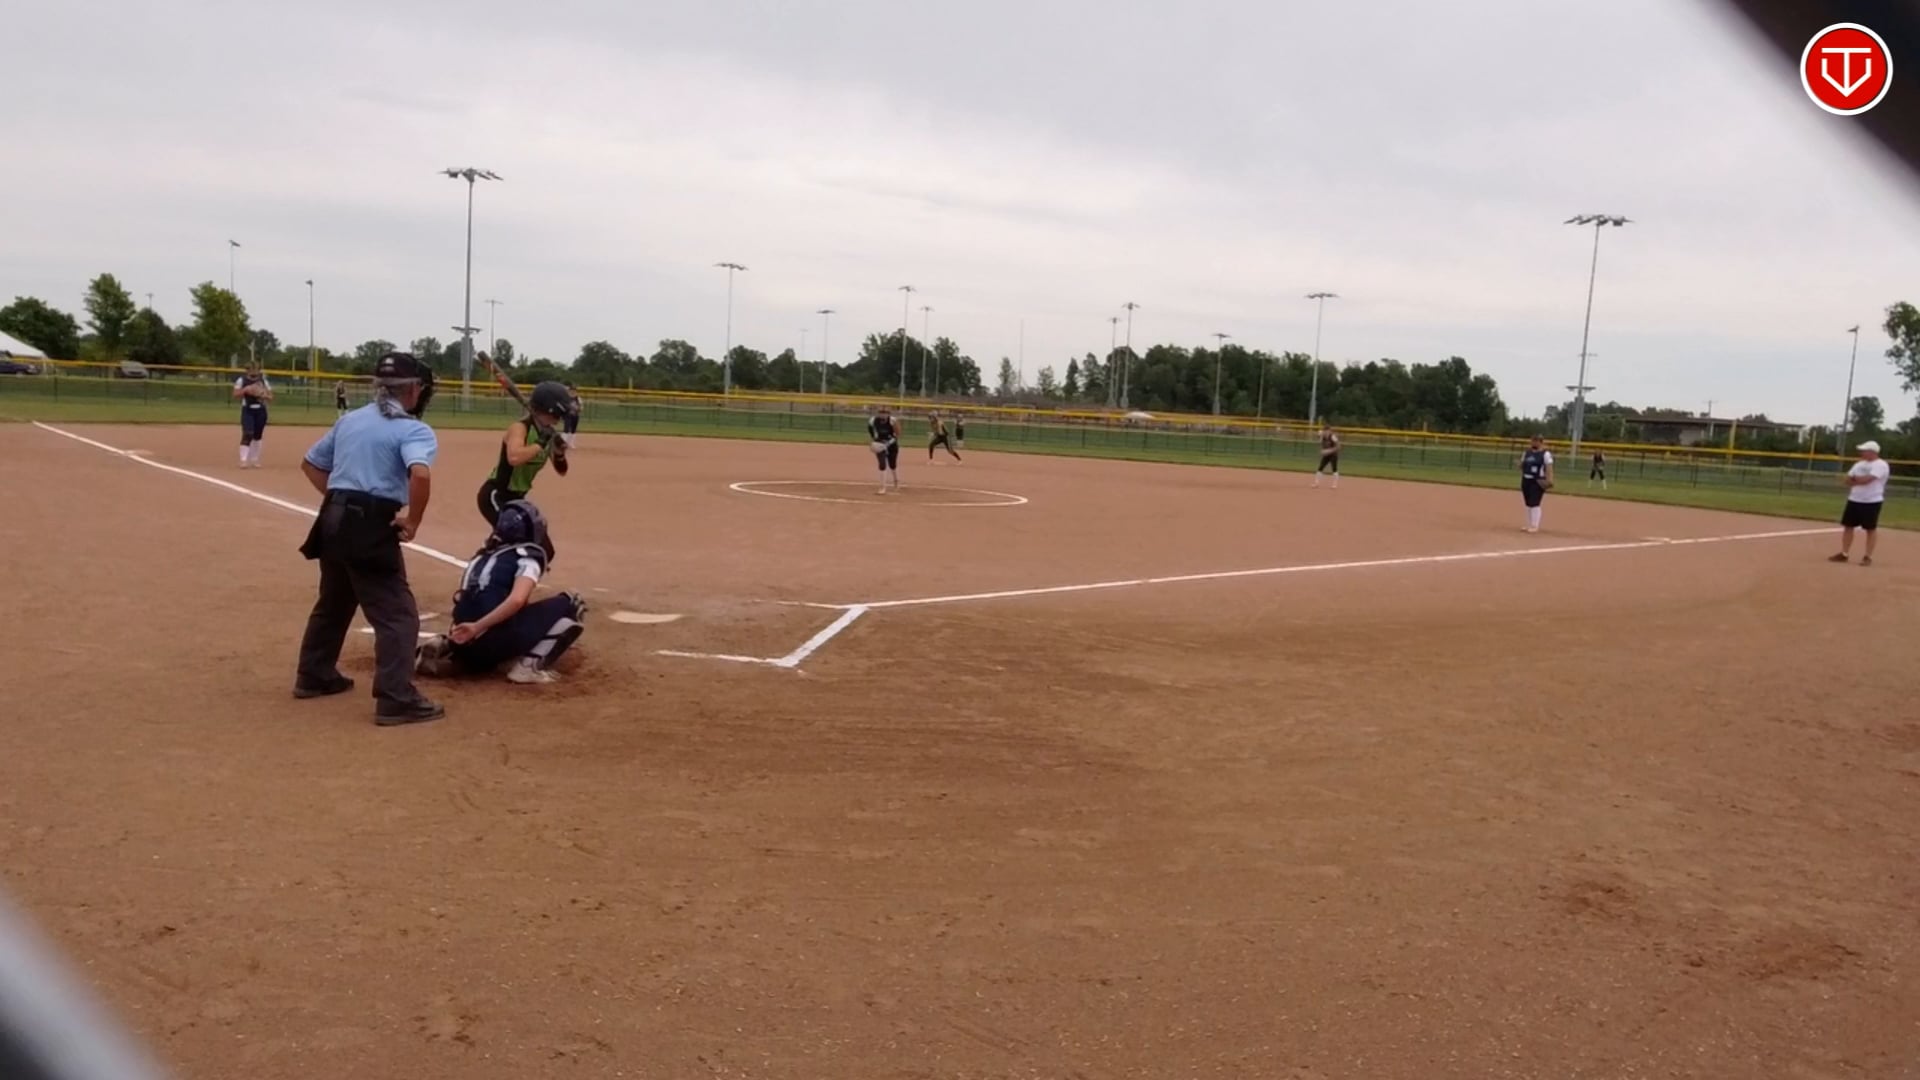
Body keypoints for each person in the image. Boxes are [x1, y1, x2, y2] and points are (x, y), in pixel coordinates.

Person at [292, 352, 445, 726]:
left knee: (335, 601)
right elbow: (420, 474)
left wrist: (342, 500)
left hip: (332, 518)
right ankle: (396, 698)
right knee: (398, 615)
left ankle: (314, 674)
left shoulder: (350, 420)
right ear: (413, 389)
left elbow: (311, 464)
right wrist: (412, 521)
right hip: (369, 524)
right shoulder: (413, 430)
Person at [414, 500, 588, 685]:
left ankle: (447, 648)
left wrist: (471, 631)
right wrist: (477, 627)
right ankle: (528, 668)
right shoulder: (527, 557)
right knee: (571, 603)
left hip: (463, 640)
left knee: (485, 627)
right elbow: (517, 600)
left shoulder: (482, 556)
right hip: (486, 637)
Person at [477, 379, 572, 527]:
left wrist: (559, 454)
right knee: (512, 532)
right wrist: (540, 442)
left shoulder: (548, 434)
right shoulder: (520, 428)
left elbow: (562, 471)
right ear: (550, 408)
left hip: (518, 499)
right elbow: (514, 458)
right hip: (497, 495)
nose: (559, 419)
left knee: (539, 537)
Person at [1830, 440, 1890, 566]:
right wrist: (1856, 480)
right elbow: (1847, 480)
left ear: (1872, 452)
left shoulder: (1881, 465)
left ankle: (1868, 556)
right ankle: (1844, 553)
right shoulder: (1858, 464)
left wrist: (1856, 480)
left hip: (1872, 501)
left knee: (1870, 529)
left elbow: (1867, 480)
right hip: (1854, 499)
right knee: (1848, 526)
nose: (1862, 453)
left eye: (1864, 450)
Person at [232, 361, 273, 468]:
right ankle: (243, 460)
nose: (254, 372)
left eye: (256, 369)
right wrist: (245, 390)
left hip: (261, 410)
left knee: (257, 435)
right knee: (248, 433)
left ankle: (254, 459)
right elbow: (235, 394)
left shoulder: (263, 381)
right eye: (251, 369)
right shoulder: (242, 380)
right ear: (247, 370)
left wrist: (262, 394)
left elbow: (271, 397)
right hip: (248, 410)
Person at [1520, 434, 1555, 533]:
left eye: (1536, 441)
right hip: (1526, 479)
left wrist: (1549, 480)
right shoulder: (1526, 452)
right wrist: (1521, 467)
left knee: (1534, 502)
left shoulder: (1545, 454)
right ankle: (1528, 524)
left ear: (1541, 442)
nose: (1534, 443)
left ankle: (1534, 525)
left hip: (1537, 480)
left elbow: (1549, 468)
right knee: (1528, 503)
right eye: (1533, 441)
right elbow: (1522, 465)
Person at [868, 404, 901, 494]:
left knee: (892, 464)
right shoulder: (873, 420)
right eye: (881, 413)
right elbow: (870, 430)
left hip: (892, 444)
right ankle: (882, 487)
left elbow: (898, 434)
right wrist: (874, 440)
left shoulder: (893, 421)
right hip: (880, 443)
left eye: (885, 413)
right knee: (882, 464)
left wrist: (888, 443)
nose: (883, 415)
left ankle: (896, 481)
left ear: (888, 414)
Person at [1312, 424, 1340, 488]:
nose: (1326, 432)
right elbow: (1320, 443)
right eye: (1325, 431)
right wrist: (1318, 436)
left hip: (1333, 454)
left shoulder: (1332, 436)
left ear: (1330, 431)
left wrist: (1329, 451)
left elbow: (1338, 446)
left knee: (1334, 469)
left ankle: (1335, 484)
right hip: (1326, 454)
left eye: (1327, 431)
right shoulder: (1322, 436)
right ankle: (1316, 483)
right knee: (1320, 468)